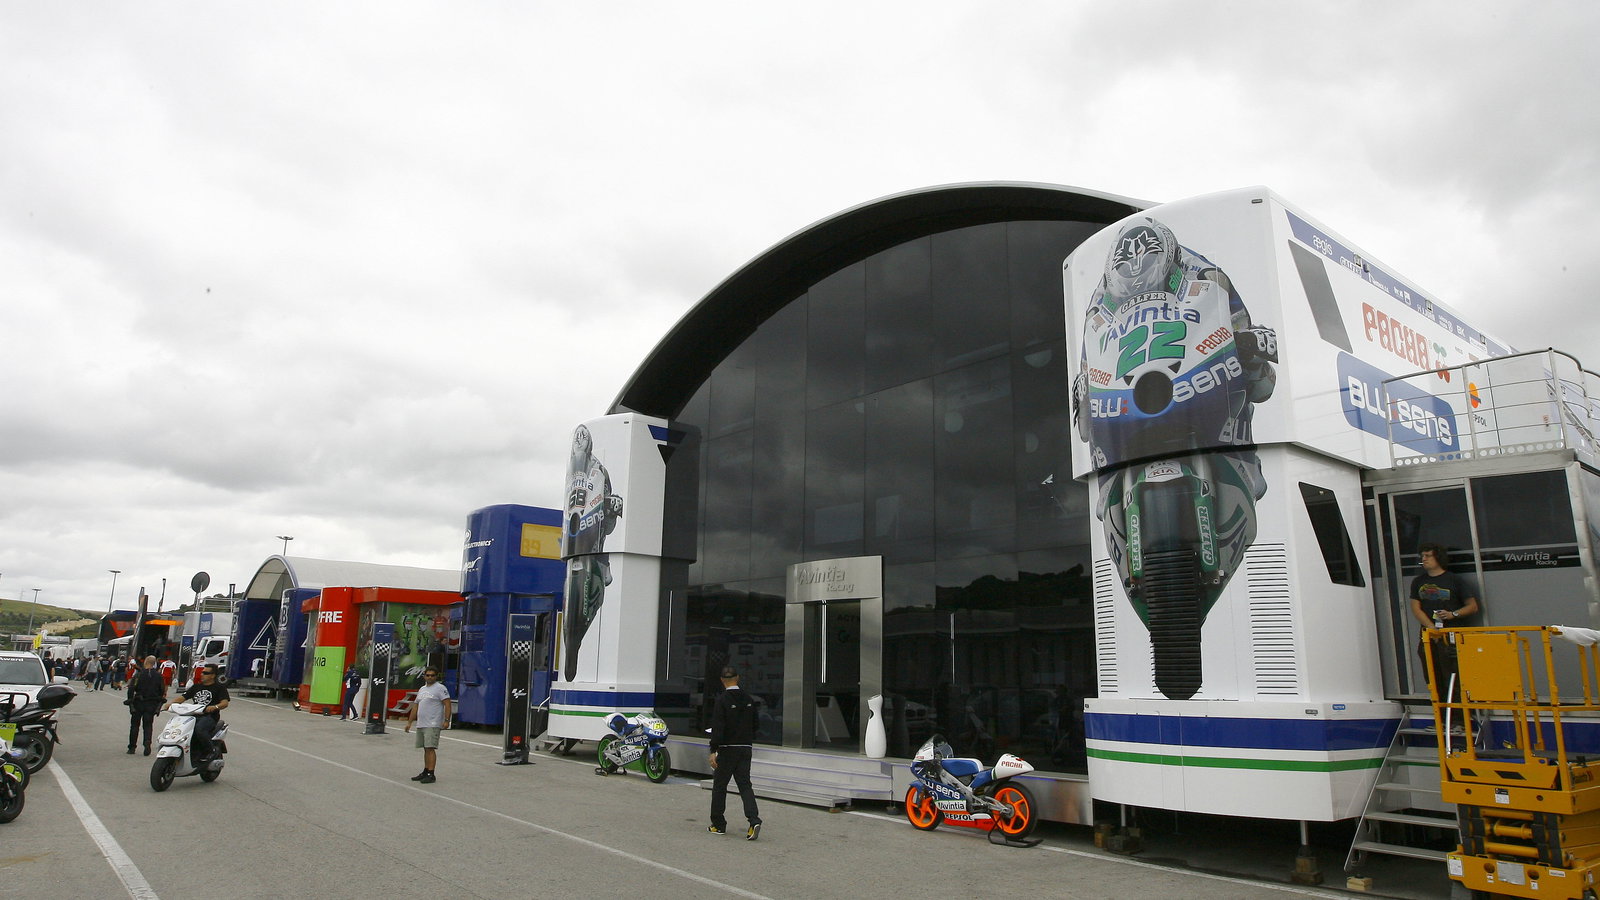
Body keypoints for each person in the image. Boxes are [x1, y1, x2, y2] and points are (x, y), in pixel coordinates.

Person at [1409, 542, 1481, 704]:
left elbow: (1472, 606)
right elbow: (1416, 608)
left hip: (1451, 636)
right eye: (1422, 556)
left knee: (1453, 676)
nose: (1424, 559)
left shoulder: (1454, 580)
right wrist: (1431, 627)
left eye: (1428, 556)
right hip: (1429, 636)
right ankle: (1440, 719)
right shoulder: (1418, 581)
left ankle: (1459, 719)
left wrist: (1452, 614)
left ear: (1438, 557)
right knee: (1432, 677)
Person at [707, 666, 761, 841]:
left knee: (720, 786)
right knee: (745, 785)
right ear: (738, 678)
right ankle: (753, 821)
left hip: (727, 748)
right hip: (745, 747)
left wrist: (713, 750)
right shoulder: (749, 699)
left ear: (722, 680)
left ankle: (718, 824)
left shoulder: (722, 700)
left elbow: (718, 727)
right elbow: (756, 725)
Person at [164, 665, 230, 761]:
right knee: (179, 728)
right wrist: (170, 704)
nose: (202, 674)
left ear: (213, 675)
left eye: (206, 673)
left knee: (199, 729)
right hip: (193, 715)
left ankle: (210, 751)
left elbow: (225, 703)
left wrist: (214, 707)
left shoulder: (219, 688)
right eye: (202, 672)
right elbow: (182, 698)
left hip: (209, 717)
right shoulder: (196, 686)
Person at [404, 668, 451, 784]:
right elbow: (415, 706)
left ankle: (431, 773)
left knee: (430, 748)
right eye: (428, 675)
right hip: (422, 723)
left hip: (433, 723)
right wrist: (410, 722)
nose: (430, 677)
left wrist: (446, 720)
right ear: (424, 676)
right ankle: (426, 770)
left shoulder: (440, 688)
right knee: (425, 748)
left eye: (432, 675)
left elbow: (447, 704)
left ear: (436, 676)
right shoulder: (422, 689)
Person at [126, 656, 166, 755]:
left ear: (146, 662)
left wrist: (130, 701)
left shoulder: (139, 675)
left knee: (135, 725)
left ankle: (132, 747)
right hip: (151, 703)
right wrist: (158, 703)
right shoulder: (158, 676)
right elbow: (162, 690)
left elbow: (131, 688)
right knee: (148, 725)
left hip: (138, 702)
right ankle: (147, 743)